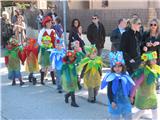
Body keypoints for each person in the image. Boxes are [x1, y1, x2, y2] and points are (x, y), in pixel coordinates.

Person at [101, 51, 135, 120]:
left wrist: (132, 97)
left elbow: (130, 87)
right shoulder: (111, 77)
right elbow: (109, 91)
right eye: (115, 66)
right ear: (112, 68)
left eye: (119, 66)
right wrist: (111, 101)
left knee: (128, 117)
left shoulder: (126, 76)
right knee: (115, 117)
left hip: (125, 102)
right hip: (115, 103)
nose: (117, 68)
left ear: (122, 67)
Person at [130, 51, 160, 120]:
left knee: (155, 111)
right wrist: (131, 96)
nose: (155, 61)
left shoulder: (155, 69)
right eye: (153, 60)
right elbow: (136, 85)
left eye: (155, 59)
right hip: (143, 96)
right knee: (141, 111)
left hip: (152, 96)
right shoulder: (143, 72)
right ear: (148, 61)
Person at [38, 16, 56, 85]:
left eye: (50, 22)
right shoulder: (42, 31)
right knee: (44, 66)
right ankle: (42, 80)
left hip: (51, 50)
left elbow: (56, 40)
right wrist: (45, 45)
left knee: (51, 66)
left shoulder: (53, 31)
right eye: (48, 22)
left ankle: (53, 80)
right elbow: (39, 41)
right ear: (45, 23)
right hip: (44, 50)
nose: (49, 24)